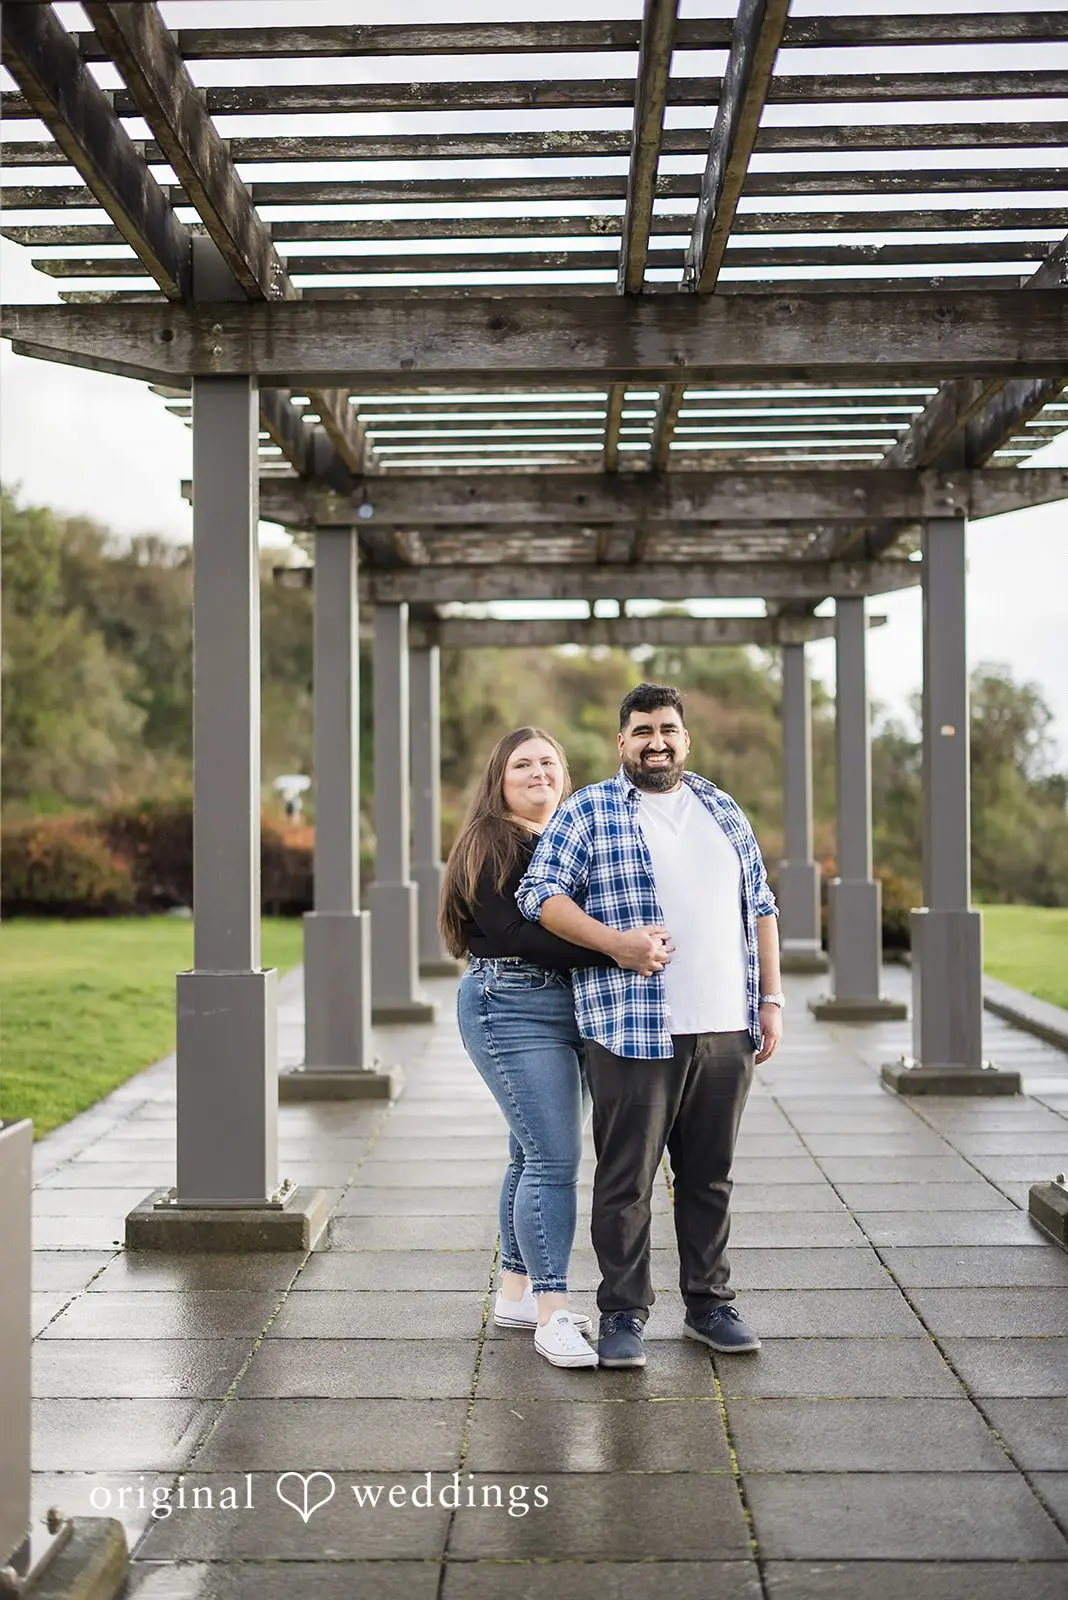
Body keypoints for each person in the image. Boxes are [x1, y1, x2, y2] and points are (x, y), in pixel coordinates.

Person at [516, 683, 783, 1370]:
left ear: (685, 740)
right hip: (633, 1028)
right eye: (642, 730)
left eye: (667, 729)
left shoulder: (722, 809)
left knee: (709, 1178)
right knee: (626, 1181)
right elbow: (538, 895)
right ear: (622, 741)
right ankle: (623, 1315)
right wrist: (615, 944)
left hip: (726, 1028)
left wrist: (771, 1000)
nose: (655, 741)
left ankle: (709, 1305)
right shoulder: (590, 810)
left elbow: (761, 905)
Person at [439, 727, 672, 1369]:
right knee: (554, 1160)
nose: (539, 772)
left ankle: (515, 1292)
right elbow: (509, 930)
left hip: (576, 1004)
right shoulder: (492, 837)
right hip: (510, 1002)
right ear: (500, 779)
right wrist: (615, 946)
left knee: (529, 1153)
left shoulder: (571, 835)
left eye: (549, 762)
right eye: (523, 764)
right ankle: (554, 1312)